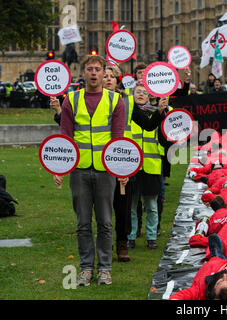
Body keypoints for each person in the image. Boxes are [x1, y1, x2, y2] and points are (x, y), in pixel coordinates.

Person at [55, 54, 127, 286]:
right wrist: (59, 167)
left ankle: (104, 268)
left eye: (98, 69)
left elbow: (118, 138)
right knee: (83, 223)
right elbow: (65, 136)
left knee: (106, 222)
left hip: (106, 170)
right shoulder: (71, 100)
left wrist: (121, 169)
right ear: (83, 73)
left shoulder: (116, 101)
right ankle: (86, 268)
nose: (94, 73)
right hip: (79, 170)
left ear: (104, 71)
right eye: (90, 69)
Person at [128, 81, 169, 250]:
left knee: (151, 206)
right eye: (137, 91)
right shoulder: (127, 112)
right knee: (131, 204)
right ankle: (131, 235)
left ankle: (151, 236)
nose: (140, 94)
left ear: (149, 96)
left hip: (151, 165)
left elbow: (165, 138)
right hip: (131, 166)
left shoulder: (157, 113)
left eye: (144, 92)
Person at [103, 65, 133, 262]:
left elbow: (147, 122)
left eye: (111, 76)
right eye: (104, 76)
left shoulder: (127, 102)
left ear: (117, 80)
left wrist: (161, 110)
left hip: (123, 160)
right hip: (101, 162)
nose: (107, 79)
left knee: (123, 207)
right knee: (103, 209)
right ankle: (105, 244)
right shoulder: (92, 101)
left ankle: (122, 243)